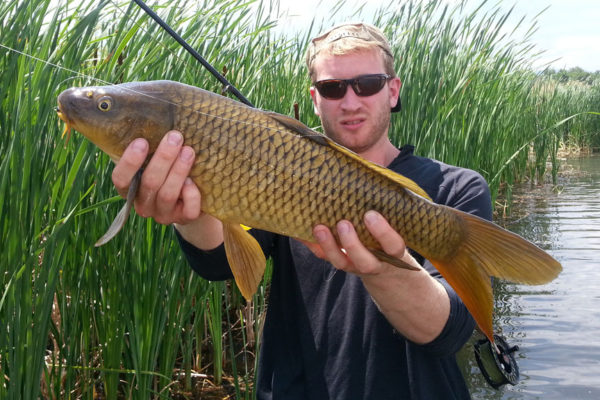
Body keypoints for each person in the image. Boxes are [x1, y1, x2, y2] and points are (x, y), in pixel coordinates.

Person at [112, 23, 491, 399]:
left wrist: (381, 268)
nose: (350, 101)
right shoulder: (281, 168)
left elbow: (449, 331)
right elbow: (219, 263)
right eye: (332, 88)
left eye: (368, 84)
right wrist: (191, 212)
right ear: (314, 98)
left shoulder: (454, 190)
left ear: (392, 91)